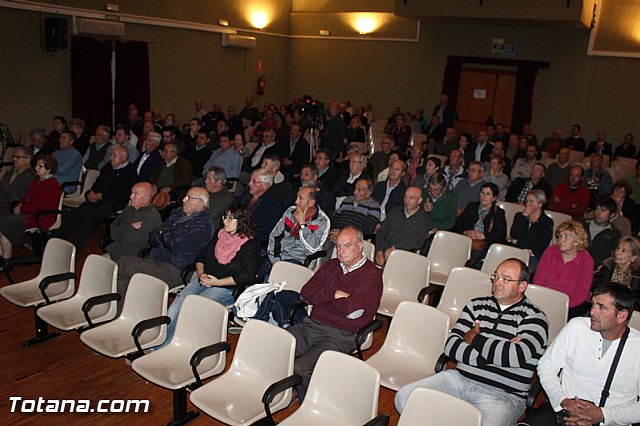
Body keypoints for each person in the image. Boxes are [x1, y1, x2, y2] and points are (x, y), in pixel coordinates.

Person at [395, 258, 549, 426]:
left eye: (506, 279)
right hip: (459, 380)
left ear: (522, 286)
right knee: (404, 398)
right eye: (496, 276)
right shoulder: (476, 305)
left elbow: (515, 356)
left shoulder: (535, 318)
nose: (497, 282)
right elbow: (451, 346)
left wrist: (474, 338)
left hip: (504, 395)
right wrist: (497, 353)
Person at [289, 227, 383, 401]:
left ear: (360, 246)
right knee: (277, 344)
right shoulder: (331, 265)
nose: (341, 251)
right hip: (312, 325)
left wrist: (322, 299)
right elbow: (306, 292)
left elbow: (351, 311)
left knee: (301, 367)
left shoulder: (371, 275)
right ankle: (294, 389)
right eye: (338, 246)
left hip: (341, 335)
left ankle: (312, 404)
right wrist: (334, 294)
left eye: (347, 245)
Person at [526, 282, 640, 426]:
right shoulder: (577, 327)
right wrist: (563, 401)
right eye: (593, 304)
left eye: (602, 307)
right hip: (562, 412)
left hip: (610, 420)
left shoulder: (637, 348)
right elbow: (546, 366)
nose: (592, 311)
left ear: (622, 316)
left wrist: (603, 415)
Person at [158, 205, 260, 349]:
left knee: (194, 306)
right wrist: (201, 274)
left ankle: (173, 346)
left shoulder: (250, 245)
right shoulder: (220, 235)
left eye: (231, 218)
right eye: (225, 217)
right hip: (204, 280)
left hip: (226, 288)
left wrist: (217, 282)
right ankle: (160, 341)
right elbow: (201, 257)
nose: (225, 221)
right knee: (179, 301)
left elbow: (248, 275)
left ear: (242, 221)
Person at [115, 187, 214, 311]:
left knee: (125, 263)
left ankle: (108, 303)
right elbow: (152, 235)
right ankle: (120, 314)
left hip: (177, 269)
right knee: (126, 281)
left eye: (189, 198)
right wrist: (167, 235)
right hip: (158, 259)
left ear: (201, 203)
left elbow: (177, 246)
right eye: (185, 196)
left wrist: (163, 234)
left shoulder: (203, 225)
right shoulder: (178, 213)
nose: (184, 200)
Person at [55, 145, 138, 252]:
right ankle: (56, 242)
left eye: (114, 155)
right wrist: (91, 192)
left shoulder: (130, 172)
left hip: (114, 202)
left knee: (90, 217)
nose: (111, 158)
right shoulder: (108, 167)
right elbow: (98, 182)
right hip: (98, 198)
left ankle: (75, 248)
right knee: (75, 213)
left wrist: (101, 195)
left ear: (123, 157)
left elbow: (124, 192)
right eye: (110, 155)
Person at [0, 154, 61, 267]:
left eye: (40, 166)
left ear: (49, 169)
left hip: (41, 217)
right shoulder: (38, 180)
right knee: (3, 221)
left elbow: (38, 206)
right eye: (36, 165)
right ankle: (3, 256)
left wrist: (21, 209)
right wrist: (20, 204)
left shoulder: (52, 185)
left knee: (5, 227)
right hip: (31, 213)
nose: (36, 168)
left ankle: (6, 261)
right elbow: (27, 196)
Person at [535, 220, 594, 318]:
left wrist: (562, 304)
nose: (561, 240)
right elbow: (539, 280)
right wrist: (544, 300)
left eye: (566, 237)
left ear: (577, 241)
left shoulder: (587, 260)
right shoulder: (550, 252)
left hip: (571, 303)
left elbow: (581, 293)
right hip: (546, 297)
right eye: (560, 236)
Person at [267, 186, 329, 270]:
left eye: (300, 198)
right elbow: (275, 236)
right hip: (279, 258)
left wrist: (303, 225)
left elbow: (313, 248)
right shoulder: (290, 212)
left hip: (300, 261)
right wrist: (275, 260)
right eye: (297, 197)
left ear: (311, 202)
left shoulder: (322, 221)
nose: (296, 201)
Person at [104, 182, 162, 261]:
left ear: (146, 198)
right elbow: (113, 228)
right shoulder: (130, 208)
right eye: (132, 193)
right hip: (116, 250)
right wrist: (129, 226)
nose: (131, 197)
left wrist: (122, 224)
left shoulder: (151, 217)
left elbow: (129, 237)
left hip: (129, 258)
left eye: (135, 194)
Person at [375, 186, 430, 266]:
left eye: (411, 198)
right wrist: (379, 251)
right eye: (405, 197)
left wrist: (395, 248)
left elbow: (418, 241)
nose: (407, 201)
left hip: (405, 256)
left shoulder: (423, 219)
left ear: (419, 201)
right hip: (384, 252)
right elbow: (382, 232)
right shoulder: (395, 212)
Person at [455, 182, 507, 263]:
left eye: (488, 194)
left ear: (494, 198)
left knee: (471, 256)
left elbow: (501, 234)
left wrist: (483, 236)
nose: (484, 196)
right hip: (467, 239)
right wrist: (466, 232)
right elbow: (458, 223)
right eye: (482, 193)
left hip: (483, 243)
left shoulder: (498, 213)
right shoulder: (471, 206)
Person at [510, 189, 553, 273]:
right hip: (517, 251)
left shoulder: (546, 222)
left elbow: (541, 244)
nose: (528, 204)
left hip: (534, 256)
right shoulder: (520, 216)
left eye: (531, 202)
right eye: (527, 201)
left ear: (540, 204)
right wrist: (523, 217)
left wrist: (520, 242)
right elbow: (514, 235)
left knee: (523, 272)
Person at [592, 237, 640, 311]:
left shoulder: (637, 277)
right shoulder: (607, 268)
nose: (617, 252)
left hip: (625, 312)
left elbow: (637, 302)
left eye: (623, 251)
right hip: (602, 306)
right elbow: (595, 286)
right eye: (618, 249)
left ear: (633, 257)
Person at [582, 197, 623, 268]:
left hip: (596, 271)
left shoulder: (614, 234)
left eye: (603, 210)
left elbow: (613, 257)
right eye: (597, 209)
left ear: (612, 215)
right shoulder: (581, 225)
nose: (598, 213)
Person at [0, 147, 36, 217]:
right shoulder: (12, 171)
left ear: (27, 160)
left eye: (18, 157)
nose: (14, 159)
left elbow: (17, 197)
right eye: (14, 156)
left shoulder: (30, 176)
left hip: (9, 207)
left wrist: (3, 181)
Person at [52, 129, 82, 193]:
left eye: (64, 138)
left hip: (66, 185)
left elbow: (61, 170)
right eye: (60, 137)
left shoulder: (75, 155)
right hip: (53, 181)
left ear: (71, 141)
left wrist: (51, 166)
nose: (60, 140)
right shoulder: (55, 153)